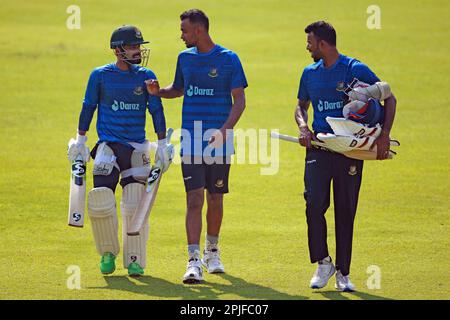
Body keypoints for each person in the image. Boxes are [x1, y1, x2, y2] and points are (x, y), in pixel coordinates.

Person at [146, 9, 248, 284]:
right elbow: (179, 89)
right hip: (190, 140)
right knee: (194, 199)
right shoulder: (185, 58)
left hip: (219, 143)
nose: (181, 35)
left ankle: (212, 251)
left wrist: (225, 131)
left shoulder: (228, 59)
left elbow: (239, 100)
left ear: (199, 31)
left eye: (184, 31)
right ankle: (193, 262)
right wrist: (159, 92)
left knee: (215, 198)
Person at [294, 21, 397, 291]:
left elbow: (390, 98)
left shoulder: (354, 69)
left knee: (345, 210)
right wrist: (303, 127)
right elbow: (300, 107)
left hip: (351, 149)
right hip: (319, 147)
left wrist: (384, 134)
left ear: (323, 44)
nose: (307, 47)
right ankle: (323, 262)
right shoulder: (309, 73)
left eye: (310, 42)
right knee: (314, 204)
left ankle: (343, 273)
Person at [67, 25, 173, 277]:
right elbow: (88, 107)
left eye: (139, 46)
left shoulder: (146, 76)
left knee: (136, 204)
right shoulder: (100, 76)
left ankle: (135, 260)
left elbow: (156, 111)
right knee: (101, 198)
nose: (138, 50)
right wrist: (80, 142)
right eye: (133, 46)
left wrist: (162, 145)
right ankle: (107, 252)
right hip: (108, 146)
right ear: (118, 50)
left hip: (137, 147)